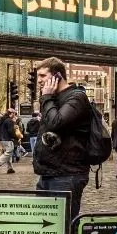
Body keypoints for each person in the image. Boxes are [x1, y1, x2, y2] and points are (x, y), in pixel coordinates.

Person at [33, 57, 91, 218]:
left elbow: (56, 123)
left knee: (62, 228)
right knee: (45, 227)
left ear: (57, 76)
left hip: (67, 174)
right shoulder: (53, 99)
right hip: (48, 173)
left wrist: (46, 98)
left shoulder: (76, 98)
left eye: (43, 76)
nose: (39, 81)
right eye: (38, 77)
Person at [0, 109, 18, 174]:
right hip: (7, 139)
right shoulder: (9, 121)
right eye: (14, 114)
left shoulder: (1, 120)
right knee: (9, 151)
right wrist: (16, 137)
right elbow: (11, 131)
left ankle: (10, 168)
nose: (14, 115)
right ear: (11, 113)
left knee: (8, 153)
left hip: (1, 139)